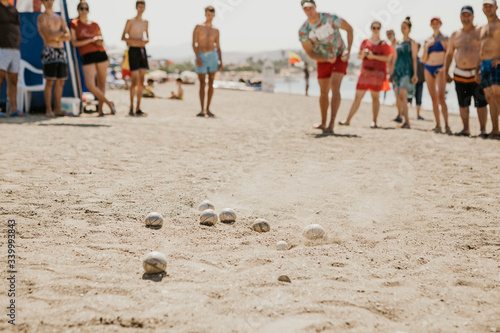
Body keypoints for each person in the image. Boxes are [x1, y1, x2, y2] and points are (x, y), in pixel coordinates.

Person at [298, 0, 353, 134]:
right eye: (306, 9)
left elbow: (349, 29)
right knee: (323, 92)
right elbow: (310, 52)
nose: (309, 11)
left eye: (310, 8)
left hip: (339, 55)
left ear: (315, 7)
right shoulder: (304, 31)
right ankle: (323, 122)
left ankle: (331, 124)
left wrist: (349, 51)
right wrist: (325, 58)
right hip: (322, 59)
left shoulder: (331, 18)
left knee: (335, 86)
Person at [339, 21, 393, 128]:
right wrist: (364, 54)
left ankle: (374, 121)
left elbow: (387, 58)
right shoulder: (365, 42)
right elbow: (359, 56)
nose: (376, 29)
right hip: (365, 72)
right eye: (374, 27)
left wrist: (373, 56)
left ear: (380, 29)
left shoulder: (383, 44)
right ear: (371, 28)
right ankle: (348, 120)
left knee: (375, 97)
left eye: (378, 28)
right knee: (358, 96)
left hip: (377, 73)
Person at [445, 5, 488, 137]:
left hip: (477, 73)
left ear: (473, 16)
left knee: (481, 103)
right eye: (464, 15)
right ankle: (466, 129)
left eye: (468, 15)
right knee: (463, 103)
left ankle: (482, 130)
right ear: (460, 17)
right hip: (459, 73)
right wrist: (446, 71)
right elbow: (449, 53)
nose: (466, 18)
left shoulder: (480, 30)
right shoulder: (455, 34)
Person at [70, 1, 115, 117]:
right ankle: (109, 103)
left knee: (102, 83)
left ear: (88, 10)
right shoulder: (75, 24)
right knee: (90, 84)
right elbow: (74, 43)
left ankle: (100, 110)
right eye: (81, 8)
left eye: (86, 8)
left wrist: (98, 41)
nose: (84, 10)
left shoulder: (95, 24)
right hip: (87, 55)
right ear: (78, 10)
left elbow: (102, 40)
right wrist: (90, 40)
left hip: (100, 53)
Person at [37, 0, 71, 117]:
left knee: (61, 81)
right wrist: (60, 34)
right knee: (50, 81)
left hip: (60, 51)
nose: (49, 2)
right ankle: (49, 109)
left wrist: (55, 36)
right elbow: (48, 36)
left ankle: (57, 109)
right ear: (42, 2)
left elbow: (68, 36)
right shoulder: (42, 17)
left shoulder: (59, 17)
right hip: (49, 51)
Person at [193, 6, 223, 117]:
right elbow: (194, 43)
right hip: (201, 55)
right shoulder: (199, 27)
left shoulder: (216, 30)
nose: (209, 16)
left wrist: (221, 60)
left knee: (211, 83)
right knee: (202, 83)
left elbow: (218, 46)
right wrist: (197, 57)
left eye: (211, 14)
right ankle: (202, 109)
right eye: (208, 14)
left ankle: (208, 109)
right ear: (205, 14)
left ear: (214, 15)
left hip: (213, 56)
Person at [422, 17, 451, 134]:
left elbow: (450, 54)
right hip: (428, 68)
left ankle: (447, 125)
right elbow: (423, 59)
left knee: (441, 98)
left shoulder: (445, 38)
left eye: (437, 23)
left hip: (440, 68)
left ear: (440, 24)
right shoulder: (427, 40)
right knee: (433, 98)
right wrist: (425, 48)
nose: (435, 25)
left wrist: (445, 68)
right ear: (430, 25)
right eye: (433, 23)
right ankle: (437, 124)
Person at [476, 0, 500, 138]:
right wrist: (477, 69)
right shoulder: (483, 27)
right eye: (485, 6)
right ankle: (495, 129)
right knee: (490, 98)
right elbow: (481, 49)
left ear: (496, 7)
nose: (487, 8)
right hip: (484, 65)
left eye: (490, 6)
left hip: (495, 63)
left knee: (498, 97)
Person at [121, 0, 149, 117]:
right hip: (133, 50)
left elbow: (147, 36)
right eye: (139, 7)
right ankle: (131, 107)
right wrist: (136, 42)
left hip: (142, 50)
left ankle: (138, 107)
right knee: (134, 80)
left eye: (142, 7)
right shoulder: (130, 21)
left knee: (141, 81)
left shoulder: (145, 22)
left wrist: (144, 41)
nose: (141, 9)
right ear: (136, 8)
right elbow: (123, 37)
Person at [390, 17, 418, 129]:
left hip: (407, 71)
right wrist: (391, 73)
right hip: (398, 72)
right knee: (399, 96)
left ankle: (407, 121)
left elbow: (414, 59)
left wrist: (415, 74)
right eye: (401, 27)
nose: (403, 29)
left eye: (405, 27)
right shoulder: (398, 42)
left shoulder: (412, 42)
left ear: (409, 29)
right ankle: (403, 119)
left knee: (402, 94)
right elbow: (394, 58)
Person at [0, 0, 26, 117]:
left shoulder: (13, 9)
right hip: (1, 48)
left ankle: (13, 109)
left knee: (13, 80)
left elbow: (17, 26)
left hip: (15, 49)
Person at [387, 29, 403, 122]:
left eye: (390, 34)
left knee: (400, 94)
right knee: (396, 94)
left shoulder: (399, 44)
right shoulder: (389, 46)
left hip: (400, 72)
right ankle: (399, 113)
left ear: (394, 34)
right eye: (388, 34)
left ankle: (401, 113)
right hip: (393, 73)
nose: (389, 35)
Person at [407, 43, 425, 120]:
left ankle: (418, 114)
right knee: (408, 98)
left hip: (420, 81)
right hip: (411, 81)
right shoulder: (411, 59)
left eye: (418, 47)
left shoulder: (421, 59)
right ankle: (405, 113)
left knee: (419, 98)